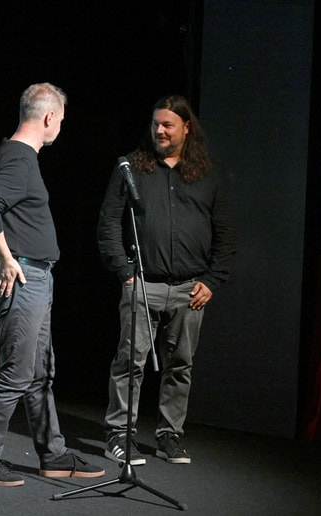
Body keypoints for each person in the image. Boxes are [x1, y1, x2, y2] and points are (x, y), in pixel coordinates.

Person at [0, 82, 105, 487]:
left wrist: (1, 251)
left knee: (41, 372)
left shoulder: (7, 152)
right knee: (17, 373)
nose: (60, 126)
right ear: (48, 118)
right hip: (24, 278)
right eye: (60, 119)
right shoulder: (20, 159)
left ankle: (54, 455)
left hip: (35, 278)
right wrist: (6, 258)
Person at [97, 95, 236, 465]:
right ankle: (120, 435)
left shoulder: (207, 175)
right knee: (130, 362)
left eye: (168, 125)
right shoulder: (131, 167)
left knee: (180, 365)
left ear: (186, 128)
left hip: (190, 288)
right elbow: (109, 223)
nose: (159, 130)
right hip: (143, 283)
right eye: (156, 124)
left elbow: (225, 232)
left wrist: (212, 279)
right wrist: (125, 273)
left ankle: (169, 436)